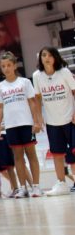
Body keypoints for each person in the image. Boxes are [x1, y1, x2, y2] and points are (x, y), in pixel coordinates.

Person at [0, 52, 43, 198]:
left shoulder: (25, 82)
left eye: (9, 65)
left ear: (14, 66)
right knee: (18, 157)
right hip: (10, 127)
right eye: (3, 66)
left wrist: (36, 121)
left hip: (26, 124)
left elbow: (32, 103)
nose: (6, 68)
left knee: (31, 155)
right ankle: (22, 188)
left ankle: (36, 186)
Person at [32, 46, 75, 196]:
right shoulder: (37, 76)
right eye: (44, 55)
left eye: (50, 55)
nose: (47, 58)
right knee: (57, 153)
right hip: (52, 122)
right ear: (40, 58)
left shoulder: (64, 72)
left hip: (70, 119)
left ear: (55, 57)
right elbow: (37, 98)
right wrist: (38, 118)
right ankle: (61, 183)